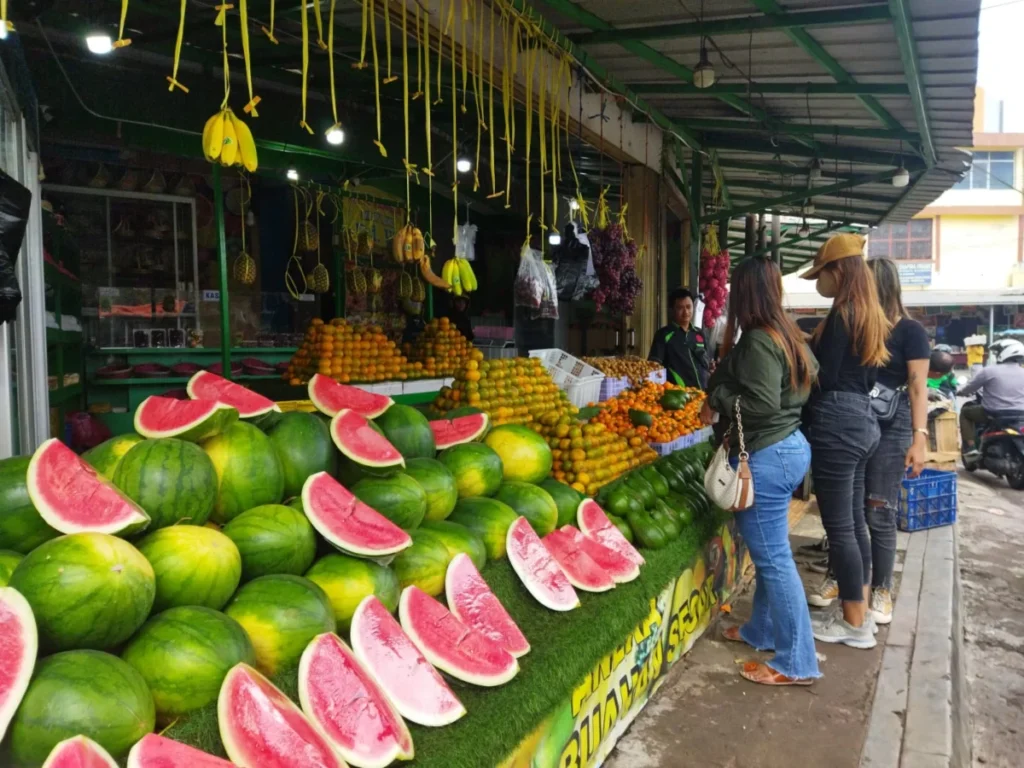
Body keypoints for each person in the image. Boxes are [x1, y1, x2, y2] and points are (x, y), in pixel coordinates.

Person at [701, 257, 820, 686]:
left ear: (744, 293)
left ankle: (797, 661)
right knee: (774, 554)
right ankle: (761, 630)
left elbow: (761, 404)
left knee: (773, 560)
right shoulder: (788, 332)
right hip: (789, 448)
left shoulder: (756, 340)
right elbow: (803, 385)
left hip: (766, 456)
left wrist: (719, 395)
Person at [801, 233, 891, 649]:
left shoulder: (842, 315)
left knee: (840, 528)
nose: (820, 281)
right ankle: (863, 613)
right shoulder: (870, 314)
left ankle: (853, 624)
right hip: (863, 422)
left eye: (822, 273)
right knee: (855, 526)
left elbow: (827, 378)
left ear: (838, 272)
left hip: (837, 424)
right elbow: (867, 378)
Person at [858, 258, 929, 625]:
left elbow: (919, 388)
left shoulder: (910, 331)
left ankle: (883, 587)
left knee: (879, 509)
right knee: (849, 509)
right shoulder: (860, 327)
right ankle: (843, 578)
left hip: (894, 424)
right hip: (856, 421)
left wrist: (920, 439)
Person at [958, 338, 1024, 459]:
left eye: (998, 352)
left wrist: (960, 392)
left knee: (965, 412)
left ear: (1004, 353)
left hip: (994, 413)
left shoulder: (989, 371)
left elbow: (969, 388)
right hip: (1020, 414)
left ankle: (971, 448)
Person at [649, 288, 709, 388]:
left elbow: (706, 362)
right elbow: (654, 366)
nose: (686, 312)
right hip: (679, 396)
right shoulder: (663, 335)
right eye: (680, 308)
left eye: (689, 307)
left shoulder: (699, 334)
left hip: (702, 394)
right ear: (672, 310)